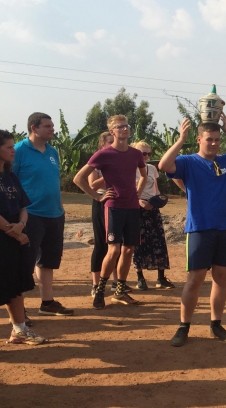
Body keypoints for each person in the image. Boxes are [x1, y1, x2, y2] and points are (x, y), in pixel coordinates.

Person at [158, 114, 226, 347]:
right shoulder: (188, 161)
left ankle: (216, 325)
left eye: (217, 139)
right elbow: (163, 166)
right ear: (199, 139)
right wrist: (181, 140)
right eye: (209, 139)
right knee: (195, 279)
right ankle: (184, 327)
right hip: (200, 228)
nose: (213, 143)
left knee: (221, 278)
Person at [73, 115, 147, 309]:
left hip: (132, 206)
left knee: (129, 249)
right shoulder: (103, 154)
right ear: (112, 131)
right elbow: (79, 178)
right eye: (120, 127)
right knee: (113, 249)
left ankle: (120, 291)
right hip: (113, 206)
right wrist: (97, 196)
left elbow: (144, 175)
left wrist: (137, 192)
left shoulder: (135, 154)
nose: (124, 129)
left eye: (126, 126)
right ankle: (100, 290)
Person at [0, 129, 46, 345]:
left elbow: (23, 206)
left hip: (13, 239)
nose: (13, 150)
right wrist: (13, 232)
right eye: (9, 147)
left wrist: (20, 226)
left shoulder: (10, 176)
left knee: (15, 286)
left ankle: (19, 330)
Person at [13, 112, 73, 316]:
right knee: (25, 263)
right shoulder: (19, 150)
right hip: (31, 214)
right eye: (47, 126)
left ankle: (47, 303)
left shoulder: (52, 151)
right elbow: (9, 181)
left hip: (54, 213)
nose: (52, 129)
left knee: (48, 261)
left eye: (52, 125)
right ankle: (19, 311)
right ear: (33, 128)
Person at [130, 141, 173, 291]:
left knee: (159, 241)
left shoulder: (152, 169)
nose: (147, 156)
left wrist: (158, 200)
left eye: (149, 153)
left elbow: (155, 188)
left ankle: (161, 278)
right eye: (143, 153)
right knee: (138, 243)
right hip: (136, 208)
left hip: (152, 207)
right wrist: (139, 201)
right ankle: (140, 278)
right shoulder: (128, 169)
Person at [86, 132, 113, 297]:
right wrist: (109, 173)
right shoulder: (96, 161)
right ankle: (96, 284)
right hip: (101, 202)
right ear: (102, 145)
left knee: (117, 245)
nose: (112, 144)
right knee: (101, 245)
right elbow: (92, 185)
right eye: (109, 142)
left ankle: (117, 282)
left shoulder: (122, 158)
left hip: (119, 203)